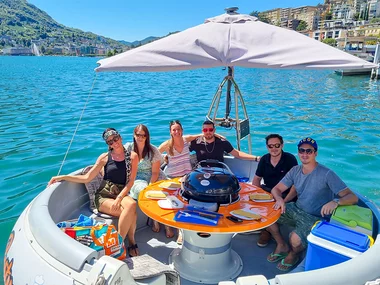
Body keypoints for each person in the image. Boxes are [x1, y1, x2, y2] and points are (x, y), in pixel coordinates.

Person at [265, 137, 358, 271]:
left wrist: (336, 202)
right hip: (296, 209)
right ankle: (281, 244)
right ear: (298, 152)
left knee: (295, 239)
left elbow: (352, 197)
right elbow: (277, 189)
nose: (305, 154)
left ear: (315, 153)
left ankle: (293, 254)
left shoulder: (327, 174)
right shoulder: (295, 170)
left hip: (315, 217)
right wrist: (279, 199)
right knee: (267, 215)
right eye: (302, 150)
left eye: (309, 151)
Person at [48, 128, 140, 257]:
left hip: (120, 193)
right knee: (131, 212)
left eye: (115, 138)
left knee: (131, 206)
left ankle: (118, 244)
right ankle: (127, 243)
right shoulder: (104, 158)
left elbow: (130, 182)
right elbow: (87, 178)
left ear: (120, 137)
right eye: (110, 142)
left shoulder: (133, 157)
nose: (114, 143)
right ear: (108, 144)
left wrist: (119, 198)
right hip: (104, 196)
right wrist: (63, 177)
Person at [124, 124, 171, 237]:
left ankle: (167, 225)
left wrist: (151, 185)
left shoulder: (153, 150)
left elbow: (155, 172)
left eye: (143, 135)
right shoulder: (128, 148)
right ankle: (155, 220)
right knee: (144, 190)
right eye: (138, 135)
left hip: (153, 176)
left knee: (165, 192)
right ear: (134, 135)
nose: (140, 138)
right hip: (137, 178)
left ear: (147, 137)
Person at [252, 134, 298, 248]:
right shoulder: (264, 159)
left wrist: (284, 201)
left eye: (277, 145)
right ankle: (265, 229)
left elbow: (295, 185)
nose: (274, 148)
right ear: (267, 147)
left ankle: (273, 237)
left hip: (286, 194)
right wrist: (257, 196)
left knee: (272, 211)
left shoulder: (290, 159)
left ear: (282, 145)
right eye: (270, 146)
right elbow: (257, 179)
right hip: (268, 192)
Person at [190, 120, 261, 163]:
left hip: (218, 173)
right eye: (205, 130)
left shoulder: (222, 142)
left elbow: (237, 154)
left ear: (214, 130)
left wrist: (256, 158)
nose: (208, 132)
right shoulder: (196, 142)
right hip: (201, 172)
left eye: (210, 130)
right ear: (202, 131)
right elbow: (182, 144)